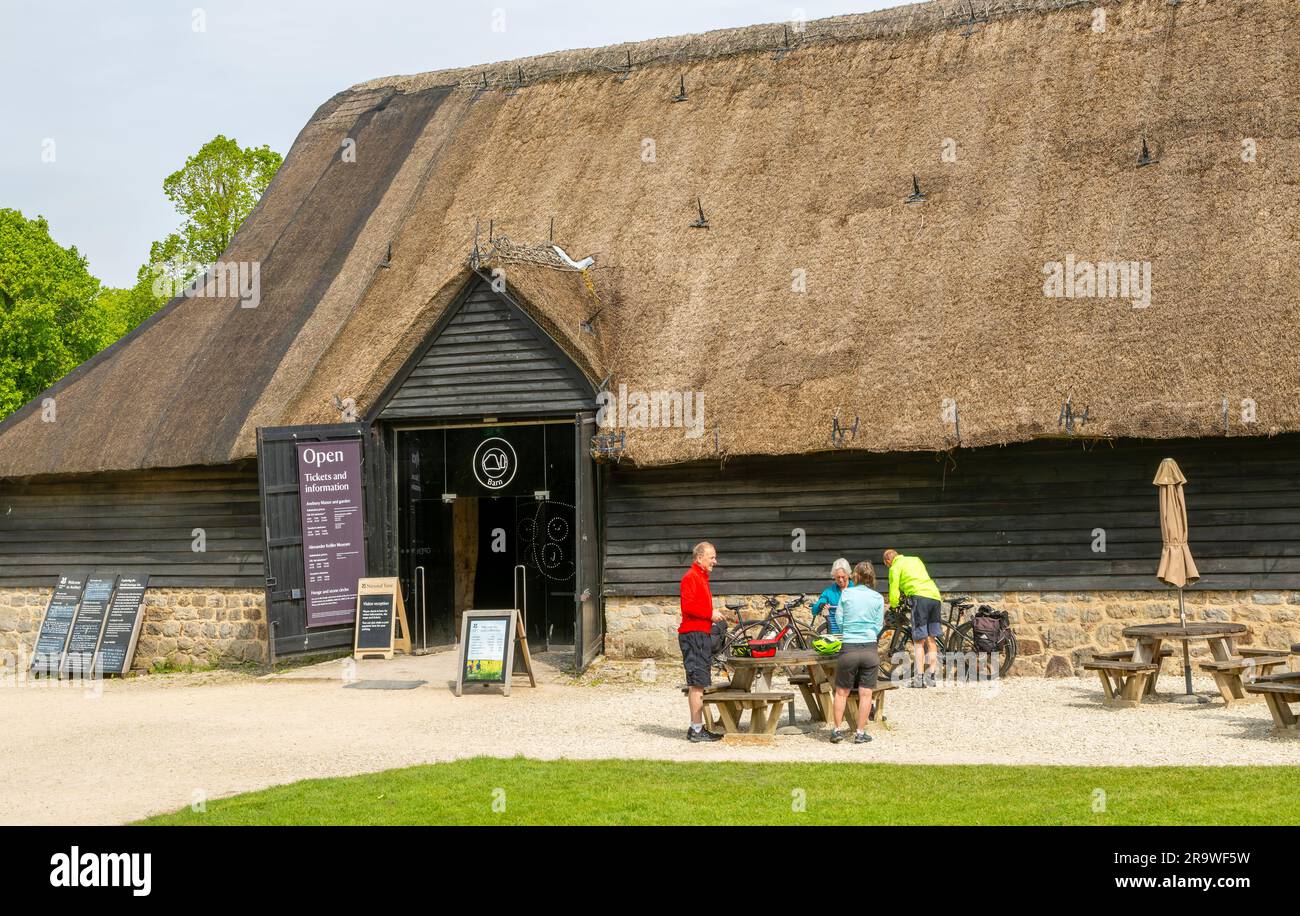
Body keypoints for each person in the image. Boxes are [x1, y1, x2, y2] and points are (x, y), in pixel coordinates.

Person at [829, 560, 884, 744]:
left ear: (855, 576)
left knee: (841, 692)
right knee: (866, 693)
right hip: (869, 647)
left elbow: (839, 619)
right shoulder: (878, 597)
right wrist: (868, 633)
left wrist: (848, 631)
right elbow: (878, 624)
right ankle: (860, 733)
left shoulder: (846, 593)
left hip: (849, 647)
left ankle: (836, 730)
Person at [679, 541, 724, 742]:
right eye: (711, 557)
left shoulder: (701, 577)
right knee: (697, 683)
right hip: (694, 635)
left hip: (700, 634)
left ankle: (697, 728)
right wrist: (709, 614)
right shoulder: (691, 577)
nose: (715, 561)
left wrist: (711, 615)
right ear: (699, 558)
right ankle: (696, 730)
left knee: (700, 682)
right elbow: (688, 606)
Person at [883, 548, 944, 688]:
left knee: (919, 640)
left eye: (887, 565)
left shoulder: (895, 566)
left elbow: (894, 590)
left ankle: (919, 679)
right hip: (934, 596)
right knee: (931, 638)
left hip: (919, 598)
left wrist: (894, 605)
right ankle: (931, 677)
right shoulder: (916, 559)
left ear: (888, 561)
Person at [809, 559, 849, 635]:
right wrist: (822, 604)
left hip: (854, 633)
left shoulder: (856, 590)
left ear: (848, 575)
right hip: (836, 633)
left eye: (843, 577)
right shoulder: (829, 592)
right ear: (834, 576)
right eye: (838, 577)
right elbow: (814, 611)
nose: (840, 580)